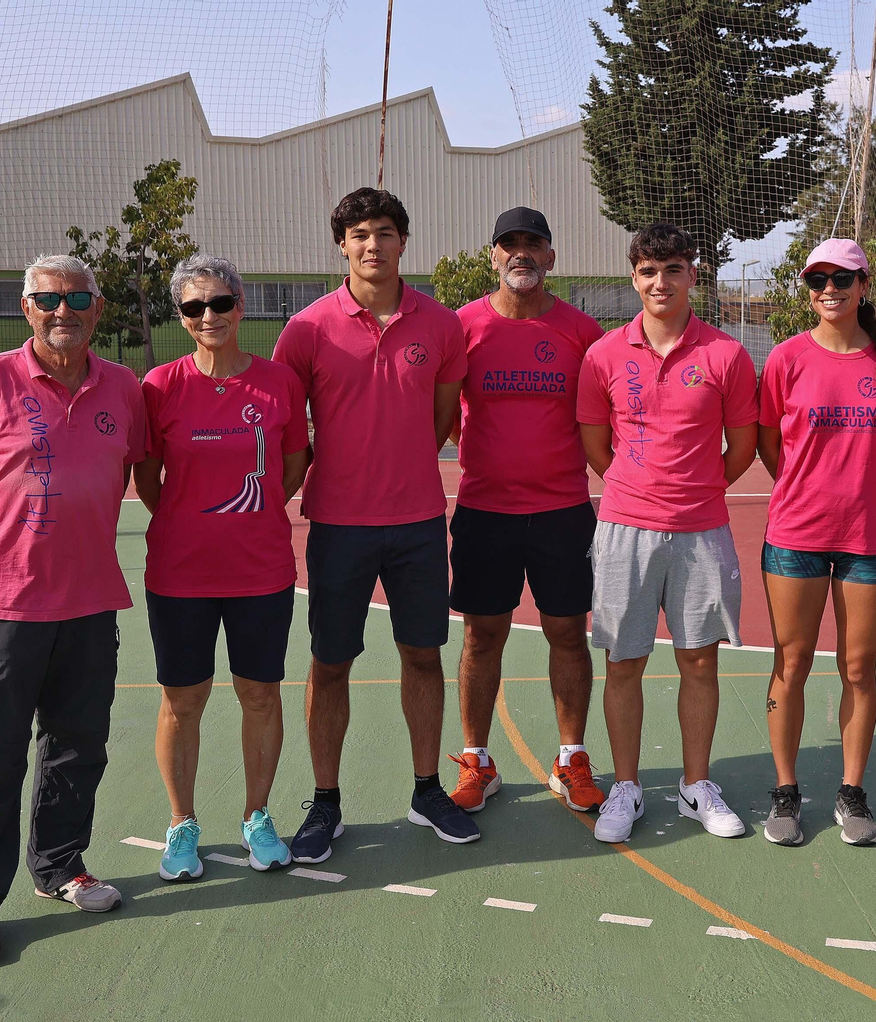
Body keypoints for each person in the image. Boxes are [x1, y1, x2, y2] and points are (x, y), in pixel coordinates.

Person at [0, 254, 147, 967]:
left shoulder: (123, 389)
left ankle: (59, 867)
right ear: (27, 307)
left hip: (89, 602)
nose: (63, 310)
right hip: (5, 607)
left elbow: (132, 470)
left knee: (78, 747)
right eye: (47, 298)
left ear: (98, 309)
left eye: (77, 298)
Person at [273, 187, 477, 858]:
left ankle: (426, 791)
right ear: (342, 244)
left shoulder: (441, 325)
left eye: (384, 232)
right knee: (330, 663)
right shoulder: (305, 329)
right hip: (337, 524)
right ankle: (325, 804)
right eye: (359, 233)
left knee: (423, 656)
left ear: (402, 241)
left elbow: (443, 420)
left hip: (418, 522)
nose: (372, 244)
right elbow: (286, 428)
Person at [576, 222, 759, 844]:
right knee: (623, 661)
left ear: (692, 277)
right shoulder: (603, 354)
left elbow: (743, 448)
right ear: (634, 278)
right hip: (624, 528)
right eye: (649, 271)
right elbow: (596, 446)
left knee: (699, 660)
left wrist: (695, 489)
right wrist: (637, 486)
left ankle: (694, 785)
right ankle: (625, 786)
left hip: (702, 529)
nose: (661, 281)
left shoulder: (727, 355)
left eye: (673, 269)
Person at [134, 255, 312, 880]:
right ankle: (182, 825)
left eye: (219, 303)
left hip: (260, 569)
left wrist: (251, 515)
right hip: (180, 572)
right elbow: (148, 478)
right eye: (193, 307)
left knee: (259, 693)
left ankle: (256, 816)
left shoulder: (278, 383)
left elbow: (293, 466)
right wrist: (190, 519)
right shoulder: (159, 387)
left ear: (240, 306)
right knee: (183, 700)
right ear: (182, 317)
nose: (208, 315)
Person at [757, 239, 876, 847]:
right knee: (790, 663)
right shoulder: (787, 359)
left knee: (858, 667)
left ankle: (851, 792)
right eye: (818, 279)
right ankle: (785, 790)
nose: (830, 288)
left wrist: (862, 485)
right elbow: (772, 443)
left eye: (842, 278)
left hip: (870, 533)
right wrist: (810, 488)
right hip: (796, 531)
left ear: (864, 286)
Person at [447, 207, 607, 814]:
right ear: (492, 257)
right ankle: (477, 760)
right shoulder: (462, 327)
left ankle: (570, 760)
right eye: (509, 244)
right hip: (485, 510)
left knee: (567, 633)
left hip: (563, 510)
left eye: (533, 243)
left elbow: (601, 416)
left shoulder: (581, 331)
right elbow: (445, 416)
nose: (521, 254)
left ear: (551, 256)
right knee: (482, 636)